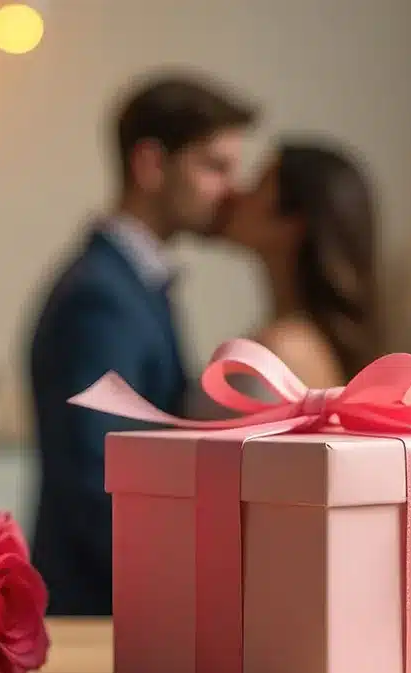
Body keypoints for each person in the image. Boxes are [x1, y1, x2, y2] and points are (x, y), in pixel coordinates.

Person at [26, 73, 257, 617]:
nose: (231, 191)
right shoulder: (101, 298)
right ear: (151, 164)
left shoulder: (130, 282)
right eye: (215, 167)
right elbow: (102, 483)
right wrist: (190, 606)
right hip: (97, 617)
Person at [220, 138, 383, 388]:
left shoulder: (281, 351)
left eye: (258, 186)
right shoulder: (306, 343)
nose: (236, 194)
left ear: (293, 225)